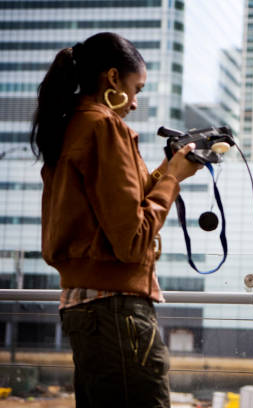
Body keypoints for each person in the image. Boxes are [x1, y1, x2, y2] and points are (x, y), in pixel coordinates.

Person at [30, 32, 201, 407]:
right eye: (136, 88)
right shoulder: (105, 127)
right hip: (117, 312)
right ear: (112, 79)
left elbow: (108, 211)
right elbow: (133, 239)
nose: (136, 103)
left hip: (82, 308)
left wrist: (169, 171)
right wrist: (171, 180)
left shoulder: (69, 125)